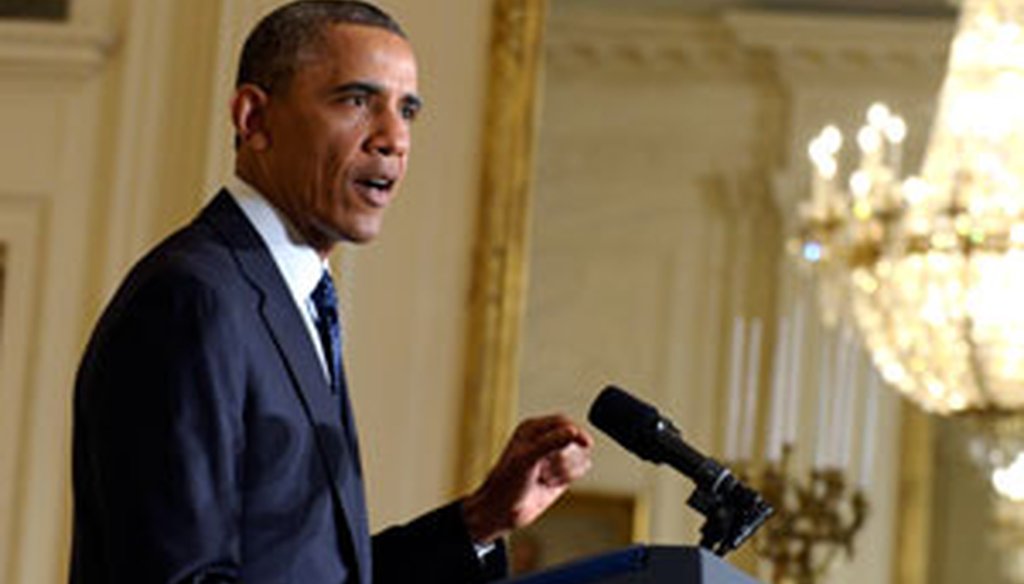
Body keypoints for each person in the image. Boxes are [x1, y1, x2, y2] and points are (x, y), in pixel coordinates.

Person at [69, 1, 593, 583]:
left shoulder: (291, 302)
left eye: (408, 110)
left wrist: (479, 520)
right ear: (254, 119)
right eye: (356, 100)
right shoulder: (192, 300)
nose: (394, 138)